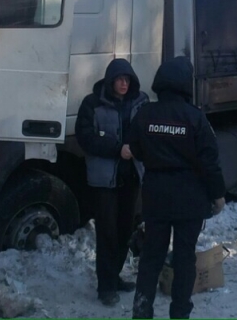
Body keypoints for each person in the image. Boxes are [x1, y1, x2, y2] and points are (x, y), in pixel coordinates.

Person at [129, 56, 226, 320]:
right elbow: (209, 161)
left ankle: (141, 309)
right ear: (186, 84)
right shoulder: (195, 118)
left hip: (156, 196)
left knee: (151, 257)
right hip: (189, 198)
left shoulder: (144, 114)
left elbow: (135, 148)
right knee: (184, 260)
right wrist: (217, 195)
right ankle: (180, 313)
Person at [76, 58, 150, 306]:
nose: (123, 84)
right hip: (104, 182)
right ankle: (105, 286)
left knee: (124, 231)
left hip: (131, 178)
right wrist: (117, 148)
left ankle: (115, 275)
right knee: (106, 233)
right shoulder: (92, 103)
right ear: (110, 81)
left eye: (127, 80)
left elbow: (148, 132)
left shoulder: (140, 102)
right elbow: (85, 137)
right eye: (119, 80)